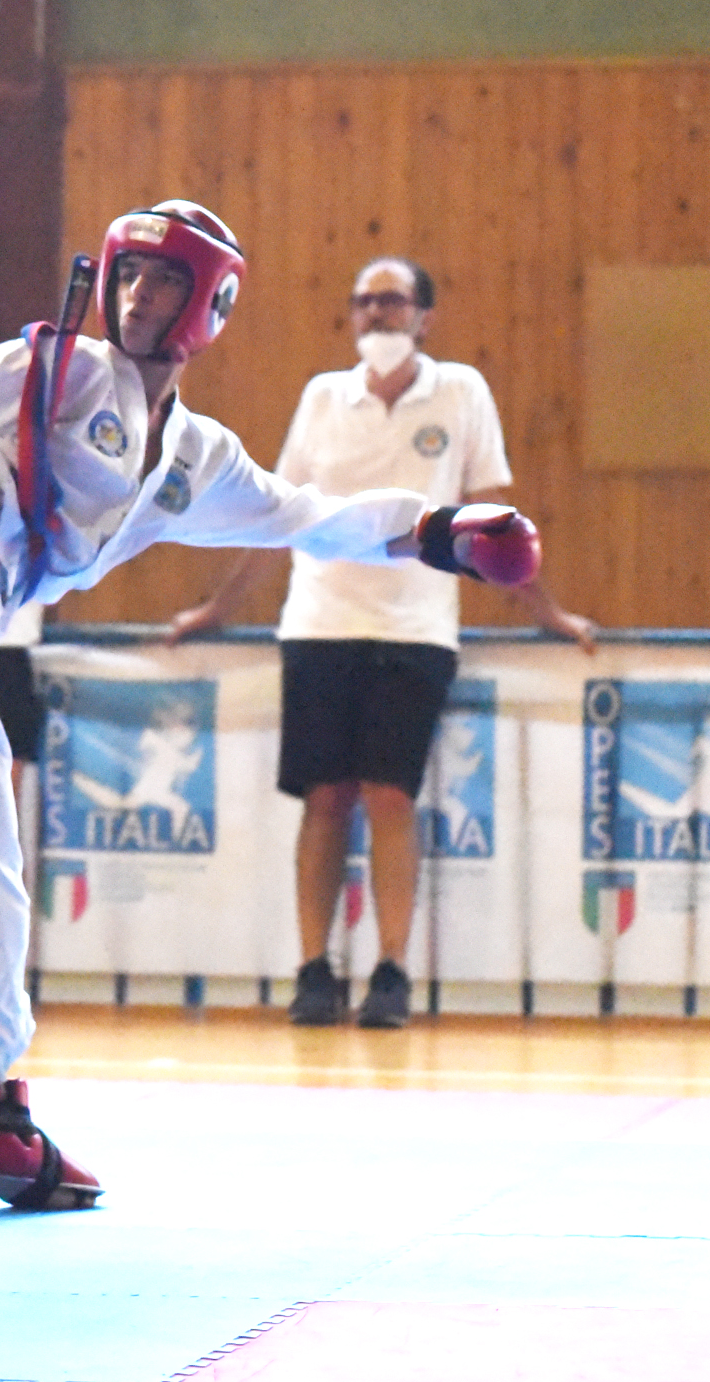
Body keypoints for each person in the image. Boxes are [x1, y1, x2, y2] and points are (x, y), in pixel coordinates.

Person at [0, 98, 540, 1209]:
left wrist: (439, 532)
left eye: (164, 284)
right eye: (128, 275)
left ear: (208, 309)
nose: (138, 297)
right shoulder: (58, 363)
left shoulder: (193, 460)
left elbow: (310, 514)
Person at [167, 256, 597, 1029]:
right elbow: (278, 512)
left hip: (416, 626)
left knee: (391, 797)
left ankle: (391, 973)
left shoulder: (461, 391)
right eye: (363, 303)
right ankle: (313, 970)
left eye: (392, 302)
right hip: (321, 621)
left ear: (424, 317)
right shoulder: (323, 397)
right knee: (325, 798)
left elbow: (493, 524)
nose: (376, 316)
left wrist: (550, 615)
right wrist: (218, 608)